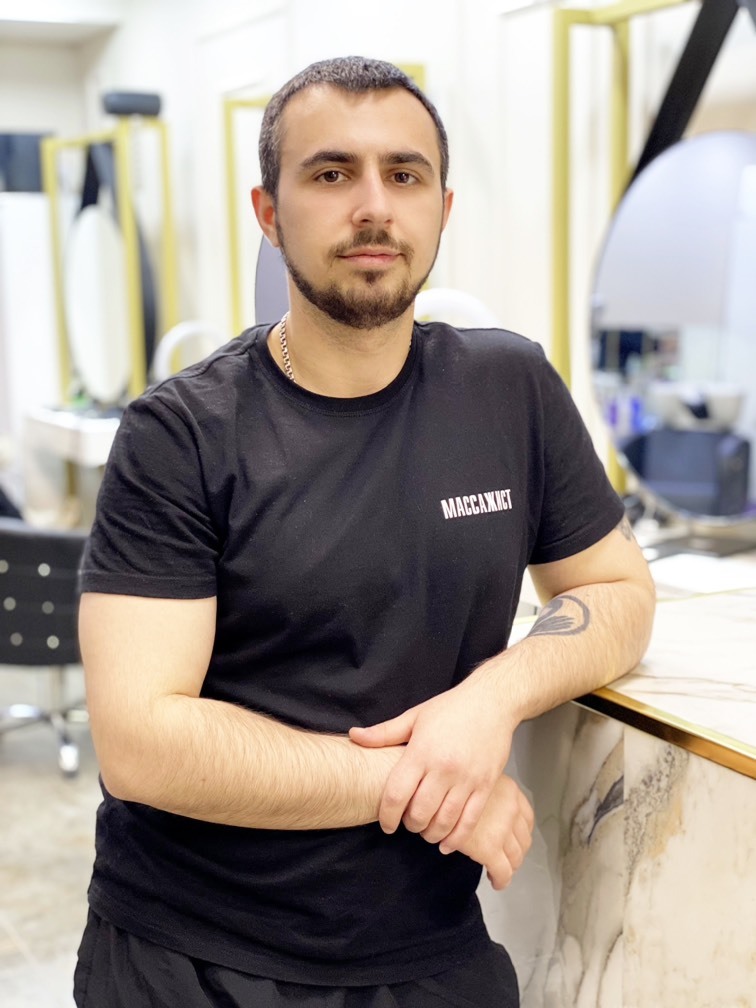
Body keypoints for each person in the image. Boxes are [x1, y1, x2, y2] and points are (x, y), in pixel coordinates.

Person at [73, 56, 655, 1007]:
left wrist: (488, 701)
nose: (374, 206)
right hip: (196, 954)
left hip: (428, 946)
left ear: (442, 210)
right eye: (332, 172)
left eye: (405, 174)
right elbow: (141, 742)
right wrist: (432, 785)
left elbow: (618, 590)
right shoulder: (180, 434)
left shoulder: (509, 388)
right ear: (270, 214)